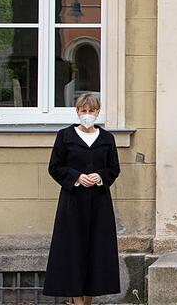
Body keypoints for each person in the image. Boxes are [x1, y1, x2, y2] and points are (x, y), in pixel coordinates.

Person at [43, 94, 121, 305]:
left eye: (91, 111)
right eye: (83, 111)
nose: (87, 115)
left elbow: (114, 168)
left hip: (99, 203)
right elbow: (55, 167)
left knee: (97, 250)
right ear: (77, 112)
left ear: (98, 112)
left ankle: (88, 300)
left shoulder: (106, 138)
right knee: (73, 250)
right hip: (73, 203)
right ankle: (77, 301)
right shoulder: (65, 136)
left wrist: (101, 177)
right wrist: (76, 177)